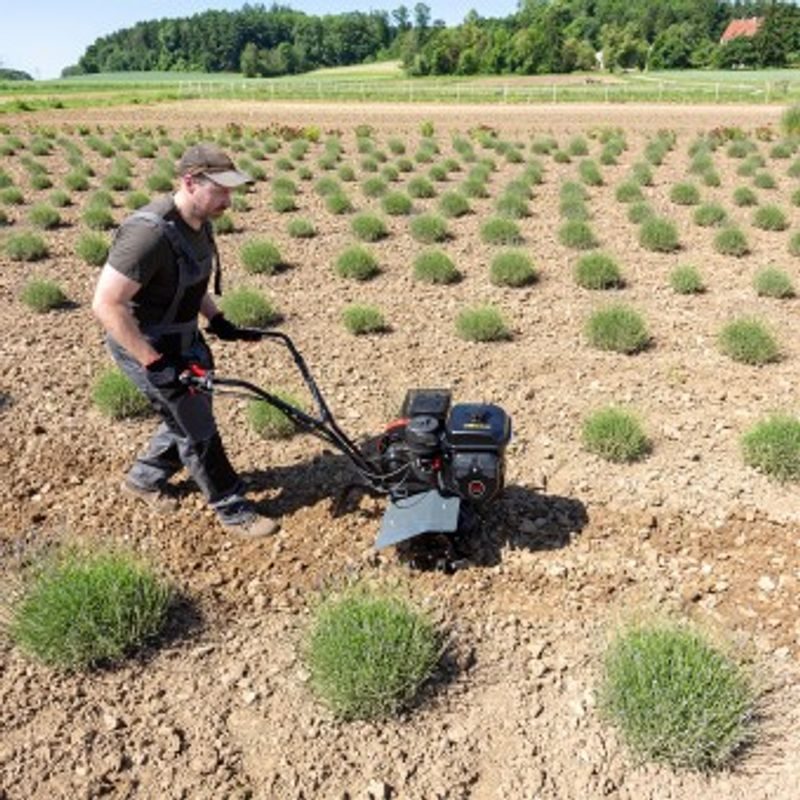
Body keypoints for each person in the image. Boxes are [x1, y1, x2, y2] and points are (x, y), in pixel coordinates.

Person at [92, 143, 279, 538]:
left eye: (231, 190)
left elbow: (191, 281)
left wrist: (218, 320)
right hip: (145, 343)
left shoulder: (199, 222)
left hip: (184, 338)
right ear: (190, 182)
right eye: (220, 190)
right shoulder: (147, 234)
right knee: (196, 428)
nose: (228, 200)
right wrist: (154, 363)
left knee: (188, 413)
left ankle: (143, 479)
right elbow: (107, 304)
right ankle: (231, 506)